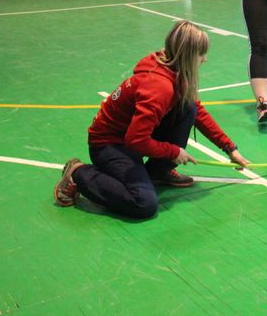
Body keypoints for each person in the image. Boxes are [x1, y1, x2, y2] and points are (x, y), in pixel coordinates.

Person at [53, 20, 249, 219]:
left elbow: (198, 111)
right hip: (109, 145)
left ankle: (158, 172)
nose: (204, 60)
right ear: (188, 56)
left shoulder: (173, 66)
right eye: (201, 55)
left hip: (130, 135)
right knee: (143, 203)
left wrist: (229, 148)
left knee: (188, 108)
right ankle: (78, 173)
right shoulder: (159, 87)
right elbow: (135, 140)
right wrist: (173, 151)